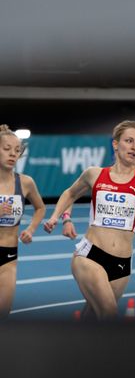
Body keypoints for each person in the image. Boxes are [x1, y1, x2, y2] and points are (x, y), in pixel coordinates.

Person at [43, 120, 135, 321]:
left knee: (93, 316)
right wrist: (58, 217)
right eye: (129, 141)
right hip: (90, 255)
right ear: (116, 144)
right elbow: (70, 193)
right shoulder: (95, 173)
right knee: (108, 314)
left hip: (122, 264)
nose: (134, 147)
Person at [0, 125, 46, 319]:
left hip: (9, 258)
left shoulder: (25, 182)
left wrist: (31, 229)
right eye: (7, 149)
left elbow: (41, 208)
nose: (13, 154)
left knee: (3, 314)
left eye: (17, 150)